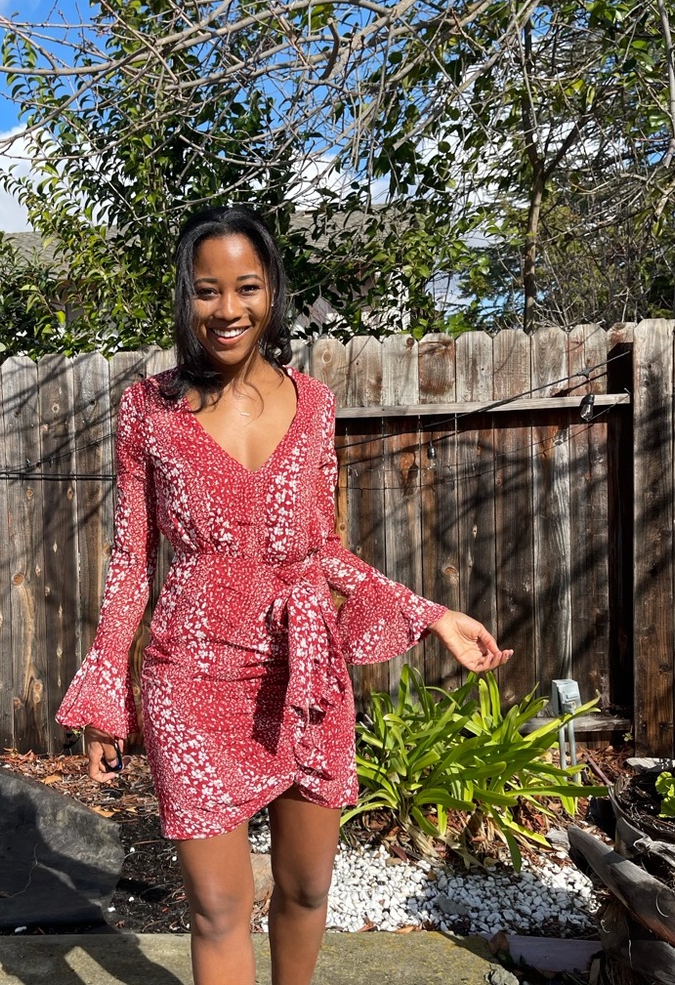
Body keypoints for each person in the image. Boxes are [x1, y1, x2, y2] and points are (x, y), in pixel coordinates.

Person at [56, 205, 513, 985]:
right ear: (186, 297)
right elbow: (131, 559)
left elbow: (320, 548)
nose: (226, 309)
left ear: (271, 292)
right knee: (217, 907)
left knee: (305, 889)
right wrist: (106, 695)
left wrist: (430, 614)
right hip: (190, 680)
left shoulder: (315, 404)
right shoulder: (148, 410)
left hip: (304, 675)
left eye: (245, 288)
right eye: (207, 290)